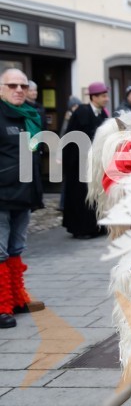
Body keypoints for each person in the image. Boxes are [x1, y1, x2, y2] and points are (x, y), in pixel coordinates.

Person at [0, 69, 46, 328]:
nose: (19, 89)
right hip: (2, 194)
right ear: (1, 88)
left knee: (17, 249)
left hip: (24, 193)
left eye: (23, 85)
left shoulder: (31, 115)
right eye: (12, 85)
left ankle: (17, 298)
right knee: (0, 252)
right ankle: (1, 305)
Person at [62, 81, 109, 239]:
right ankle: (81, 228)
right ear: (94, 97)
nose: (106, 99)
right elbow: (71, 138)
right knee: (80, 197)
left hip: (95, 163)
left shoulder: (103, 114)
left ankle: (96, 226)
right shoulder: (81, 112)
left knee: (95, 195)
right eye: (103, 96)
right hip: (79, 164)